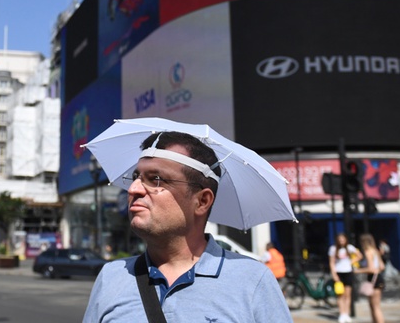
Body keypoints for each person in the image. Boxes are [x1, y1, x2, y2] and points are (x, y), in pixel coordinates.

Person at [83, 131, 291, 322]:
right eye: (136, 177)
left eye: (155, 179)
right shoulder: (112, 276)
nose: (134, 189)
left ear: (202, 201)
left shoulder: (252, 280)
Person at [329, 232, 362, 323]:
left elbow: (360, 256)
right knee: (340, 294)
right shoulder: (333, 249)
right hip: (339, 273)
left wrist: (351, 262)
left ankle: (346, 313)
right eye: (340, 240)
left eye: (343, 239)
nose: (341, 241)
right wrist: (334, 274)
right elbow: (331, 263)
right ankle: (342, 313)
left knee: (347, 295)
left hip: (348, 272)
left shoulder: (350, 248)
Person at [355, 234, 385, 323]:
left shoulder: (368, 252)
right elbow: (382, 266)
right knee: (375, 306)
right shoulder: (375, 251)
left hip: (372, 279)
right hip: (379, 278)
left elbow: (370, 269)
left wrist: (357, 271)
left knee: (374, 307)